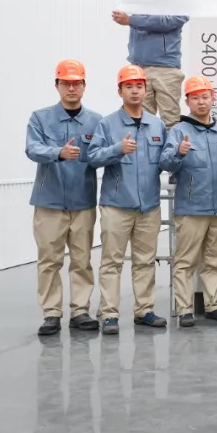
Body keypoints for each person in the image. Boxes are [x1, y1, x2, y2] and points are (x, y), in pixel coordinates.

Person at [87, 65, 169, 334]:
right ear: (119, 91)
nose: (135, 91)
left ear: (146, 90)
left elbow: (166, 161)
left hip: (149, 206)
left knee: (145, 261)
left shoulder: (157, 125)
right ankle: (109, 313)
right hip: (116, 205)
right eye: (129, 86)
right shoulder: (107, 124)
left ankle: (144, 310)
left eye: (139, 86)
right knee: (112, 261)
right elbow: (92, 157)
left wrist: (179, 153)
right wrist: (117, 149)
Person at [25, 59, 103, 336]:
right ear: (56, 85)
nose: (71, 88)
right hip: (49, 202)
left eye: (76, 83)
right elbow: (32, 149)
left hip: (82, 202)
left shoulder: (96, 121)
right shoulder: (40, 118)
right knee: (49, 260)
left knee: (82, 259)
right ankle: (51, 313)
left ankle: (80, 311)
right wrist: (58, 152)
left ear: (84, 86)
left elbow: (101, 154)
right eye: (66, 83)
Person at [160, 76, 217, 328]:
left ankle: (213, 306)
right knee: (185, 261)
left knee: (213, 261)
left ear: (212, 99)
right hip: (191, 209)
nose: (201, 102)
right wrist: (178, 152)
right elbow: (165, 163)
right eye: (195, 98)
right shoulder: (179, 131)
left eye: (205, 97)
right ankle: (184, 309)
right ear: (187, 101)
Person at [101, 0, 188, 129]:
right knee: (140, 121)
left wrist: (132, 20)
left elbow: (171, 21)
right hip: (139, 67)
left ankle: (172, 150)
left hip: (166, 68)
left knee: (170, 122)